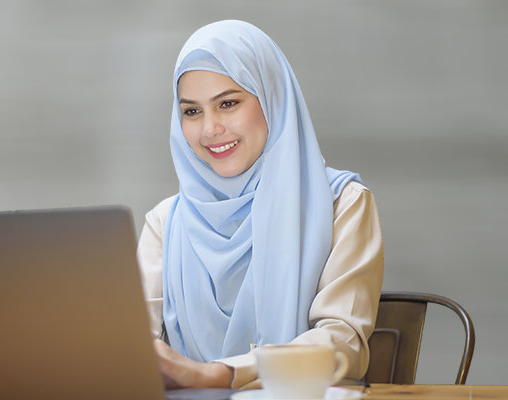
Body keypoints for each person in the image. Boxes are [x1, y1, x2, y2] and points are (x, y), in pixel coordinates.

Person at [137, 20, 384, 389]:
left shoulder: (341, 204)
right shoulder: (166, 222)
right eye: (191, 111)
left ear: (272, 98)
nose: (209, 129)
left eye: (228, 103)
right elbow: (131, 345)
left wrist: (222, 374)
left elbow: (342, 342)